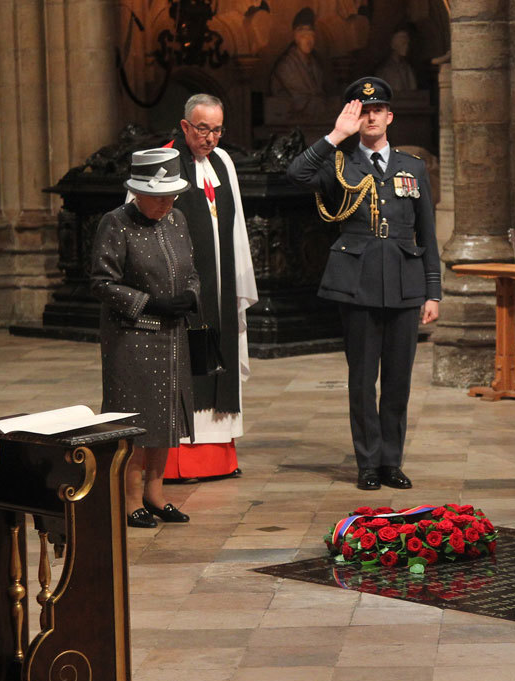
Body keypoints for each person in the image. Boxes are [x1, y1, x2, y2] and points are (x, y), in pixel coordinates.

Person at [287, 77, 441, 491]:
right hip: (357, 284)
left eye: (378, 110)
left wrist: (433, 291)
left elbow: (427, 233)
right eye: (363, 110)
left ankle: (392, 460)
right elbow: (295, 174)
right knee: (361, 380)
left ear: (390, 116)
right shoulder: (340, 162)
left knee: (398, 380)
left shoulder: (413, 167)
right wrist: (337, 135)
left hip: (406, 285)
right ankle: (368, 462)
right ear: (354, 115)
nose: (371, 116)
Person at [92, 148, 200, 527]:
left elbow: (190, 270)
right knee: (137, 422)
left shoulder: (178, 220)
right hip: (132, 339)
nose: (166, 204)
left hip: (173, 337)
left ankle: (155, 493)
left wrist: (190, 295)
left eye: (171, 196)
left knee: (166, 418)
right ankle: (128, 498)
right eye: (158, 197)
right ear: (138, 192)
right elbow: (102, 282)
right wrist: (150, 303)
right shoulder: (116, 222)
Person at [160, 94, 258, 480]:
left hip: (220, 285)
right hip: (182, 289)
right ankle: (179, 462)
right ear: (185, 126)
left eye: (217, 130)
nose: (210, 138)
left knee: (221, 363)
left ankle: (220, 458)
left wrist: (240, 285)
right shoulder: (164, 161)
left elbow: (235, 226)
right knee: (188, 366)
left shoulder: (224, 162)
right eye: (203, 129)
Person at [270, 8, 326, 100]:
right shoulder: (285, 66)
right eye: (304, 36)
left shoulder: (316, 65)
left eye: (311, 36)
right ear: (296, 38)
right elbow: (300, 97)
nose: (308, 41)